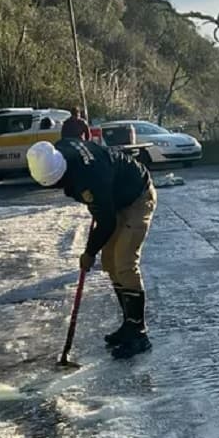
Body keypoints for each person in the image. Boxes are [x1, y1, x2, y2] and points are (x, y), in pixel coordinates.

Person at [26, 138, 156, 359]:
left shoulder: (89, 178)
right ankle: (128, 324)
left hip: (137, 196)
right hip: (113, 196)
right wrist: (98, 204)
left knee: (124, 262)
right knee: (110, 263)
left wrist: (88, 253)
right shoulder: (60, 150)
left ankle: (139, 333)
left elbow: (106, 223)